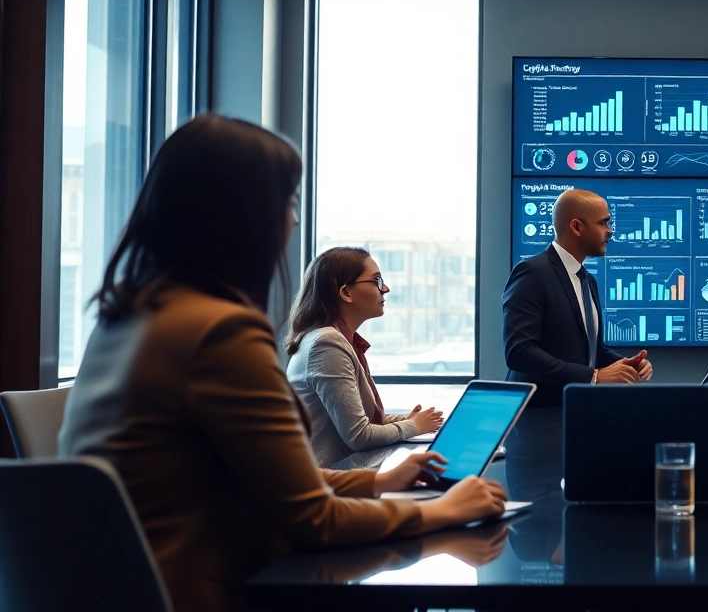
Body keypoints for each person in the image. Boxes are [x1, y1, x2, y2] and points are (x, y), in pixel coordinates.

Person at [58, 115, 509, 612]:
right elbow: (314, 521)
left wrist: (378, 481)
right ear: (243, 216)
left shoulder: (127, 318)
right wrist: (445, 511)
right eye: (288, 202)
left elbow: (268, 477)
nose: (293, 220)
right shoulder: (219, 332)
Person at [286, 247, 444, 467]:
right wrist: (414, 426)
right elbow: (359, 436)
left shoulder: (336, 339)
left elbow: (362, 421)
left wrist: (409, 420)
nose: (386, 289)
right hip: (329, 487)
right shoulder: (327, 343)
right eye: (376, 281)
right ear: (346, 293)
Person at [503, 188, 653, 407]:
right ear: (576, 227)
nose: (610, 231)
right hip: (536, 418)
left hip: (576, 411)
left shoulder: (587, 280)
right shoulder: (533, 273)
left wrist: (625, 365)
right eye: (603, 223)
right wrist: (594, 377)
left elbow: (592, 351)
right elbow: (519, 352)